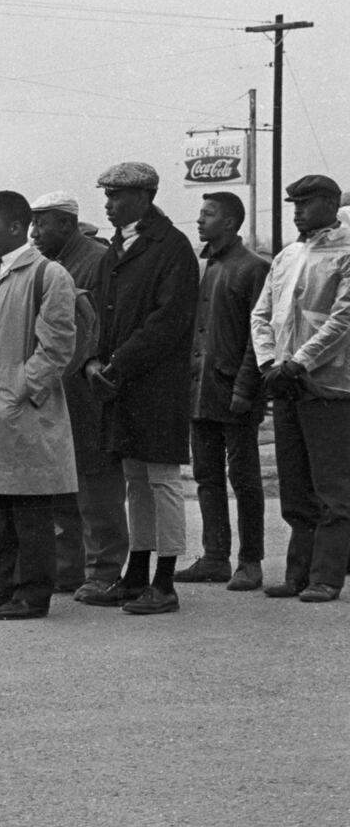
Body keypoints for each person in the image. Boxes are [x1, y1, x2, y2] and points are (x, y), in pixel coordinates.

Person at [76, 162, 199, 616]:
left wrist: (117, 364)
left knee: (162, 479)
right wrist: (92, 360)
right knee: (135, 480)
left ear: (145, 196)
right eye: (107, 195)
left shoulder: (172, 247)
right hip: (120, 383)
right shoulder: (116, 250)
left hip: (157, 384)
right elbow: (103, 316)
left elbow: (168, 321)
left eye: (117, 195)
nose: (108, 203)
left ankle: (164, 581)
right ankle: (136, 573)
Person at [0, 191, 78, 619]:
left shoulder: (47, 274)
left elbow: (58, 346)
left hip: (19, 411)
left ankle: (32, 594)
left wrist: (18, 391)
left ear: (15, 227)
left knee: (29, 509)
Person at [251, 174, 350, 602]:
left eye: (306, 203)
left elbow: (343, 320)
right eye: (293, 204)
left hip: (327, 385)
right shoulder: (287, 255)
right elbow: (261, 314)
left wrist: (299, 362)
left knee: (331, 487)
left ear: (330, 203)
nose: (297, 211)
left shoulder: (346, 251)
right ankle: (298, 574)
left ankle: (327, 577)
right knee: (294, 487)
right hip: (285, 383)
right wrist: (270, 362)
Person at [174, 191, 269, 591]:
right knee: (206, 476)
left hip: (235, 391)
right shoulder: (205, 266)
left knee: (244, 478)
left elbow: (259, 335)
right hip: (202, 390)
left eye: (208, 214)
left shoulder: (253, 268)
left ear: (230, 222)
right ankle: (215, 557)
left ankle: (251, 560)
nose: (199, 221)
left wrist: (246, 388)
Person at [29, 191, 119, 596]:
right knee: (62, 482)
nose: (34, 232)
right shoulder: (51, 265)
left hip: (86, 391)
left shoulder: (97, 261)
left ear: (66, 223)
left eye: (41, 223)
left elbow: (99, 329)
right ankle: (69, 567)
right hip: (58, 389)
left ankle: (103, 569)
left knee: (94, 484)